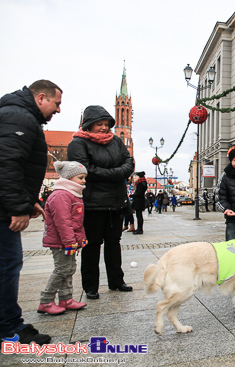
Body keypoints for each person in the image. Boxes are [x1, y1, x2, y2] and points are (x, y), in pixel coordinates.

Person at [0, 80, 62, 345]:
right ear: (40, 97)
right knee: (7, 265)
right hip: (4, 209)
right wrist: (17, 207)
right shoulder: (21, 119)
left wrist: (30, 200)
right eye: (56, 103)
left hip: (10, 201)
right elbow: (7, 164)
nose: (58, 110)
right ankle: (9, 328)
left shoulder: (17, 114)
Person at [67, 105, 135, 300]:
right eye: (99, 124)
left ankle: (116, 281)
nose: (104, 128)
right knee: (92, 245)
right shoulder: (78, 143)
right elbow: (84, 171)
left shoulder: (116, 141)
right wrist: (117, 173)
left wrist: (113, 173)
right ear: (89, 125)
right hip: (92, 203)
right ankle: (90, 286)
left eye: (106, 124)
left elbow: (129, 162)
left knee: (114, 243)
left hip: (115, 202)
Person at [38, 161, 88, 315]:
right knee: (62, 270)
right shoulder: (61, 195)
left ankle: (66, 298)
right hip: (61, 243)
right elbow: (63, 221)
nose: (84, 181)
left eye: (84, 177)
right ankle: (46, 301)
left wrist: (81, 239)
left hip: (68, 242)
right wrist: (70, 241)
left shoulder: (72, 194)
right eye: (80, 177)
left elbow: (77, 222)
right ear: (68, 178)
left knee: (69, 269)